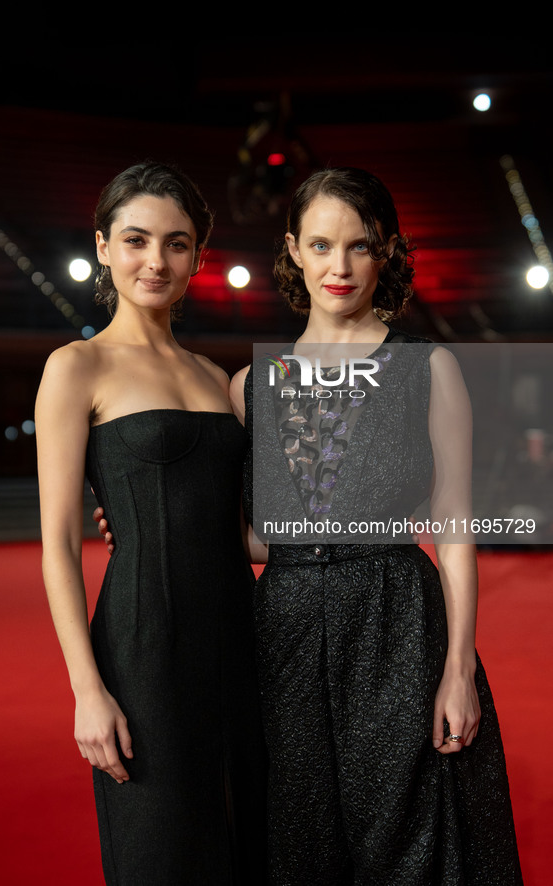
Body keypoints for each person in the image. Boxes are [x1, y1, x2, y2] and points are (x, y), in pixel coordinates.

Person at [227, 168, 523, 885]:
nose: (339, 266)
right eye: (321, 244)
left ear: (384, 251)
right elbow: (263, 540)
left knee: (408, 837)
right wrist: (151, 527)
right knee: (298, 839)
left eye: (358, 246)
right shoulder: (246, 389)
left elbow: (453, 530)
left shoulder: (429, 369)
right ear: (293, 248)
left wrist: (457, 671)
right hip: (285, 635)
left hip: (396, 624)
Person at [35, 161, 266, 885]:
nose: (155, 261)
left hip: (241, 640)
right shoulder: (77, 366)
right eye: (136, 240)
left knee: (247, 841)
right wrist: (87, 690)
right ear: (103, 246)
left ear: (199, 254)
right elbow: (56, 547)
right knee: (162, 851)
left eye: (176, 242)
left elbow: (242, 530)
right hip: (142, 648)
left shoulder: (211, 374)